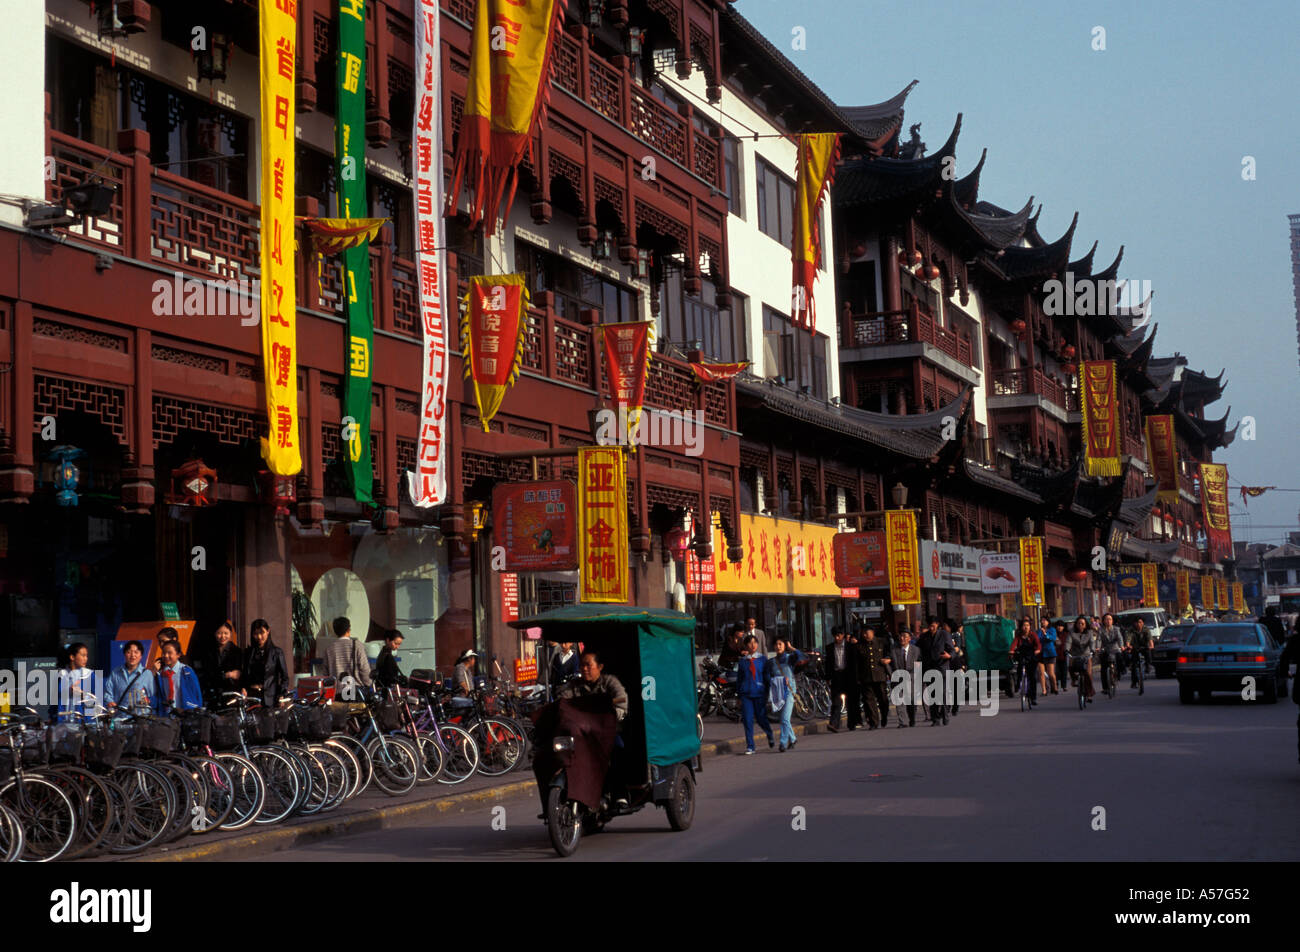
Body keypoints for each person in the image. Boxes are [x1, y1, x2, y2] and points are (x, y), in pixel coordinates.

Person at [735, 635, 774, 753]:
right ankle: (750, 746)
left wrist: (769, 692)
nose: (753, 645)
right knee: (747, 720)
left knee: (761, 718)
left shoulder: (763, 660)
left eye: (755, 642)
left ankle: (769, 733)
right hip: (746, 694)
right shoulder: (742, 662)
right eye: (750, 643)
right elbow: (739, 679)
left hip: (759, 693)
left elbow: (767, 677)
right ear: (746, 645)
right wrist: (738, 695)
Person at [242, 618, 290, 708]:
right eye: (256, 634)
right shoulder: (248, 653)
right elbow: (244, 675)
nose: (259, 637)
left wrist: (282, 695)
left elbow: (285, 677)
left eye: (262, 633)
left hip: (271, 698)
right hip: (252, 697)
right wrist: (243, 688)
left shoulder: (277, 652)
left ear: (268, 631)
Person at [105, 640, 159, 714]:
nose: (132, 655)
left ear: (141, 656)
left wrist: (148, 700)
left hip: (140, 718)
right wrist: (110, 702)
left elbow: (153, 696)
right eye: (129, 652)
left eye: (136, 652)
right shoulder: (115, 673)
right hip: (120, 718)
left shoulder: (147, 674)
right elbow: (108, 693)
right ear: (124, 654)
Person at [823, 626, 860, 732]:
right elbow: (828, 663)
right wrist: (828, 677)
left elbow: (855, 664)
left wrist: (857, 678)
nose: (837, 638)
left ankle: (851, 723)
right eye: (835, 636)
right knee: (836, 702)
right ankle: (834, 724)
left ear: (843, 635)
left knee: (850, 701)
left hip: (848, 676)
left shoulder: (850, 647)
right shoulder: (829, 647)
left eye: (839, 635)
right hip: (836, 676)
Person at [323, 616, 372, 696]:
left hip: (337, 693)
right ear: (349, 629)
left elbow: (326, 674)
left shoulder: (329, 649)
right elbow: (364, 669)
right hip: (355, 692)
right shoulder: (357, 645)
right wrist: (369, 684)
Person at [199, 620, 242, 705]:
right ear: (215, 634)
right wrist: (227, 675)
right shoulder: (209, 651)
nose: (222, 636)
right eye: (219, 633)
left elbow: (240, 673)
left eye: (226, 633)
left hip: (231, 693)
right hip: (213, 693)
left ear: (230, 634)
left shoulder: (237, 651)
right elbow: (207, 672)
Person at [921, 618, 955, 725]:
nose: (931, 628)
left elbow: (952, 650)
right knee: (932, 695)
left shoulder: (944, 634)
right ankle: (935, 719)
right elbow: (917, 649)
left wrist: (949, 656)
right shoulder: (924, 637)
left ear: (937, 624)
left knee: (943, 693)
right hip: (929, 669)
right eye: (930, 626)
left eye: (933, 625)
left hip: (942, 668)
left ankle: (945, 715)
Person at [772, 637, 803, 751]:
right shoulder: (772, 662)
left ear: (785, 646)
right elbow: (768, 676)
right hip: (778, 693)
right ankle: (793, 738)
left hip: (789, 691)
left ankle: (783, 743)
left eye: (780, 644)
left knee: (785, 718)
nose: (778, 646)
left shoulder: (790, 658)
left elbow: (803, 657)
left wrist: (792, 648)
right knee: (783, 718)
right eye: (776, 644)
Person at [856, 627, 890, 729]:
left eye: (867, 632)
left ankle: (884, 716)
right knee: (869, 701)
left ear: (873, 632)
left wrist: (888, 659)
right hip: (866, 677)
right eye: (863, 633)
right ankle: (874, 722)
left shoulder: (881, 642)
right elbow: (857, 663)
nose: (865, 635)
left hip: (880, 675)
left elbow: (888, 653)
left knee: (883, 699)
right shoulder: (859, 646)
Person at [158, 640, 204, 712]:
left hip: (185, 713)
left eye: (169, 653)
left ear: (178, 654)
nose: (166, 656)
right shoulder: (161, 674)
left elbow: (196, 693)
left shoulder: (187, 672)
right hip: (168, 714)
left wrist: (196, 710)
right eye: (164, 653)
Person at [56, 642, 94, 723]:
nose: (86, 659)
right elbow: (55, 703)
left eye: (86, 656)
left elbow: (98, 705)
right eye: (83, 655)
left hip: (84, 725)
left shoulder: (90, 675)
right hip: (63, 724)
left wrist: (82, 694)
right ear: (72, 657)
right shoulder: (61, 675)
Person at [890, 628, 920, 727]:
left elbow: (919, 665)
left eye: (905, 637)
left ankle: (912, 718)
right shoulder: (894, 650)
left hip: (911, 679)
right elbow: (890, 664)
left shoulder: (916, 650)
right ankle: (902, 722)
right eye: (901, 636)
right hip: (898, 678)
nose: (902, 638)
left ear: (909, 638)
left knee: (911, 702)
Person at [1010, 618, 1041, 707]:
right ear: (1021, 627)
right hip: (1022, 655)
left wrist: (1038, 650)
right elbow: (1013, 644)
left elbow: (1038, 644)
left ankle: (1033, 697)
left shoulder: (1033, 635)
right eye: (1024, 625)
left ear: (1030, 627)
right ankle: (1018, 683)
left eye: (1027, 625)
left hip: (1032, 656)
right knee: (1020, 669)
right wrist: (1011, 651)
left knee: (1033, 678)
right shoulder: (1018, 636)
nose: (1026, 627)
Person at [1066, 617, 1096, 701]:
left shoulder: (1089, 632)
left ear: (1086, 625)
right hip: (1075, 654)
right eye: (1079, 623)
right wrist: (1067, 650)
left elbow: (1092, 642)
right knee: (1070, 666)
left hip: (1086, 655)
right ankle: (1074, 679)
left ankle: (1089, 694)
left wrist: (1092, 650)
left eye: (1082, 623)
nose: (1080, 625)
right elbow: (1068, 642)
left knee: (1088, 674)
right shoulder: (1071, 632)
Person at [1096, 613, 1125, 694]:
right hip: (1105, 649)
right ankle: (1105, 687)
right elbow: (1098, 639)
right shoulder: (1100, 629)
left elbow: (1120, 638)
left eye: (1110, 619)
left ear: (1112, 621)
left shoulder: (1116, 629)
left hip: (1115, 647)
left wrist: (1121, 646)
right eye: (1106, 619)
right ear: (1103, 621)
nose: (1108, 621)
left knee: (1119, 657)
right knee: (1103, 668)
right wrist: (1098, 647)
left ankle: (1119, 672)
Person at [1127, 617, 1152, 688]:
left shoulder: (1146, 629)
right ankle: (1134, 682)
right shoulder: (1131, 630)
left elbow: (1150, 639)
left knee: (1148, 652)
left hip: (1144, 646)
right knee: (1134, 665)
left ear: (1143, 623)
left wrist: (1151, 646)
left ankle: (1148, 666)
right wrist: (1128, 646)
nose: (1138, 624)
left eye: (1140, 622)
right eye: (1137, 622)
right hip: (1134, 647)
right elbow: (1128, 639)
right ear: (1134, 623)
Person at [1039, 618, 1059, 695]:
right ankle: (1044, 690)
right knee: (1041, 673)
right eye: (1041, 621)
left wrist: (1046, 634)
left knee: (1051, 673)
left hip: (1050, 653)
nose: (1042, 622)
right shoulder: (1039, 630)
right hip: (1040, 654)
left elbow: (1053, 638)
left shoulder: (1052, 629)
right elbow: (1037, 639)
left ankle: (1055, 687)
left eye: (1044, 620)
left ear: (1048, 622)